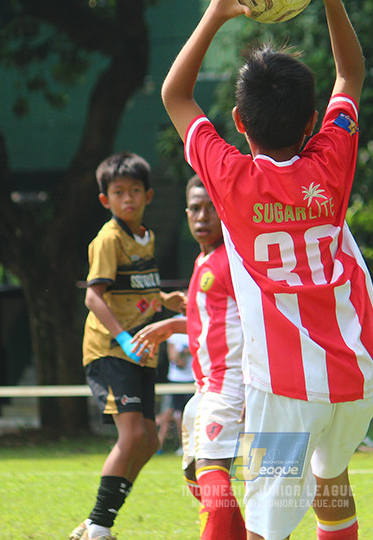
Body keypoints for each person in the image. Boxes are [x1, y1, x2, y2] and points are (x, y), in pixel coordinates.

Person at [161, 0, 373, 540]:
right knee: (332, 480)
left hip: (284, 389)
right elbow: (351, 73)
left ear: (238, 124)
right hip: (358, 371)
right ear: (313, 121)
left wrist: (218, 8)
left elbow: (174, 95)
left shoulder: (231, 180)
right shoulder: (332, 161)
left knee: (267, 530)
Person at [69, 152, 186, 540]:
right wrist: (122, 337)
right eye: (119, 193)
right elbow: (94, 297)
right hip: (110, 349)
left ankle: (97, 521)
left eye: (135, 191)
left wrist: (167, 299)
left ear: (148, 195)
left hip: (140, 350)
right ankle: (99, 527)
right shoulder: (108, 239)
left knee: (150, 440)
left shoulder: (146, 237)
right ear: (106, 200)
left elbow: (136, 288)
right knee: (133, 435)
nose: (128, 199)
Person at [132, 175, 247, 539]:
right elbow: (213, 318)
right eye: (196, 208)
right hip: (207, 388)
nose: (203, 216)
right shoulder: (205, 260)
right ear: (186, 213)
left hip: (232, 387)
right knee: (197, 477)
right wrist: (172, 324)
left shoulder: (235, 259)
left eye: (212, 207)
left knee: (213, 484)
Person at [155, 329, 193, 454]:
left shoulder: (199, 319)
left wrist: (184, 353)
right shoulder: (173, 326)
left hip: (193, 380)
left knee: (193, 414)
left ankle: (193, 445)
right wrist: (183, 353)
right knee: (177, 414)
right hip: (175, 381)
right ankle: (184, 446)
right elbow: (173, 357)